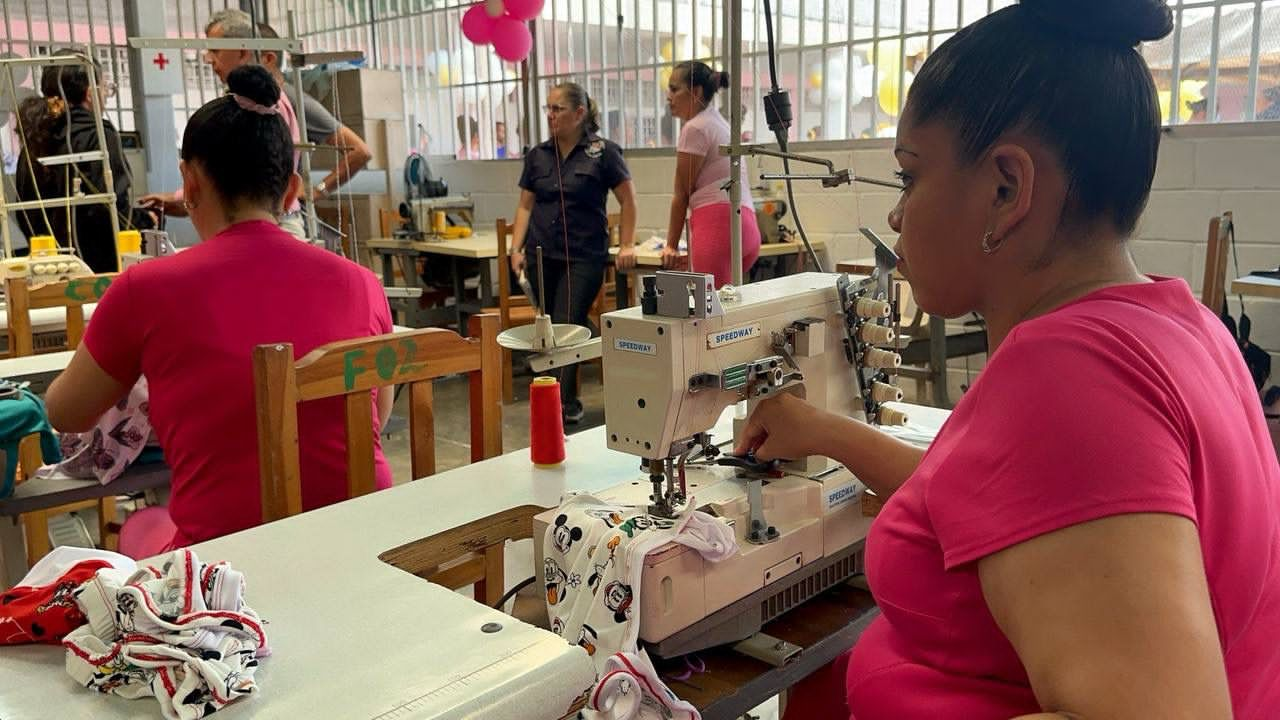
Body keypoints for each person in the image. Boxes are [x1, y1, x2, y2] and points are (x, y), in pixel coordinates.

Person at [744, 2, 1280, 718]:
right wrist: (824, 432)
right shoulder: (1179, 325)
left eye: (909, 177)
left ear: (1006, 188)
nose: (898, 216)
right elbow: (999, 504)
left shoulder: (1068, 373)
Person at [45, 66, 395, 553]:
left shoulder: (144, 289)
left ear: (188, 184)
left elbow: (65, 411)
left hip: (226, 576)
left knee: (142, 524)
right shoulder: (362, 284)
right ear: (292, 191)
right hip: (366, 548)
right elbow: (378, 409)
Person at [142, 10, 373, 240]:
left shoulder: (278, 106)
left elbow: (359, 151)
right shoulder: (233, 108)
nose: (208, 59)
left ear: (250, 53)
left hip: (275, 223)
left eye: (216, 50)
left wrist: (316, 191)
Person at [510, 82, 637, 424]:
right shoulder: (537, 155)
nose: (550, 116)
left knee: (567, 321)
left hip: (584, 256)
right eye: (547, 109)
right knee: (548, 326)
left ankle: (559, 406)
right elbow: (525, 205)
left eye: (557, 109)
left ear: (579, 113)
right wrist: (515, 248)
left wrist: (626, 244)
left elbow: (628, 200)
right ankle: (557, 395)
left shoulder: (603, 152)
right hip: (541, 255)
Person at [14, 50, 155, 272]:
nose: (106, 95)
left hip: (48, 268)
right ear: (90, 93)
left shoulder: (33, 139)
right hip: (99, 270)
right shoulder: (99, 134)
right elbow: (110, 209)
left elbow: (23, 210)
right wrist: (146, 220)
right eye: (105, 88)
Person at [662, 61, 760, 288]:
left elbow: (681, 194)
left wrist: (671, 247)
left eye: (674, 89)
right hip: (746, 226)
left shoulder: (695, 128)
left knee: (712, 316)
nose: (669, 96)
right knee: (730, 308)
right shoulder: (718, 123)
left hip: (717, 227)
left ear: (695, 92)